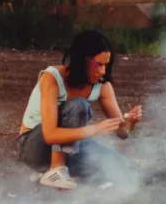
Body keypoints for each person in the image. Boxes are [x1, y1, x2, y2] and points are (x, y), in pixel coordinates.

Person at [17, 29, 143, 190]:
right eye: (98, 65)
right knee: (78, 105)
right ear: (82, 61)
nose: (103, 71)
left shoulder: (102, 86)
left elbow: (122, 132)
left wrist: (130, 122)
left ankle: (48, 175)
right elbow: (49, 135)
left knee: (117, 165)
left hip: (69, 146)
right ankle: (55, 170)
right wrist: (95, 129)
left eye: (106, 65)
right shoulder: (52, 77)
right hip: (34, 147)